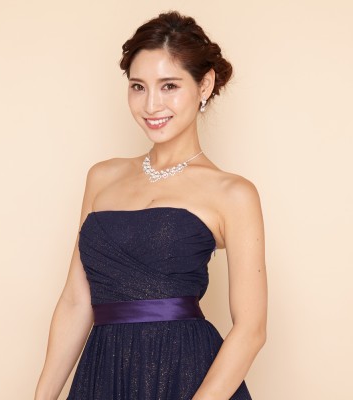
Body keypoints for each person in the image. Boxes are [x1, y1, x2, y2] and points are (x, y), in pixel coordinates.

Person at [35, 11, 267, 400]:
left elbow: (251, 330)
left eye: (169, 86)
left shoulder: (233, 193)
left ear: (205, 84)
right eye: (138, 87)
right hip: (103, 375)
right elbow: (76, 301)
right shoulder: (102, 177)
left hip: (186, 376)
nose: (151, 105)